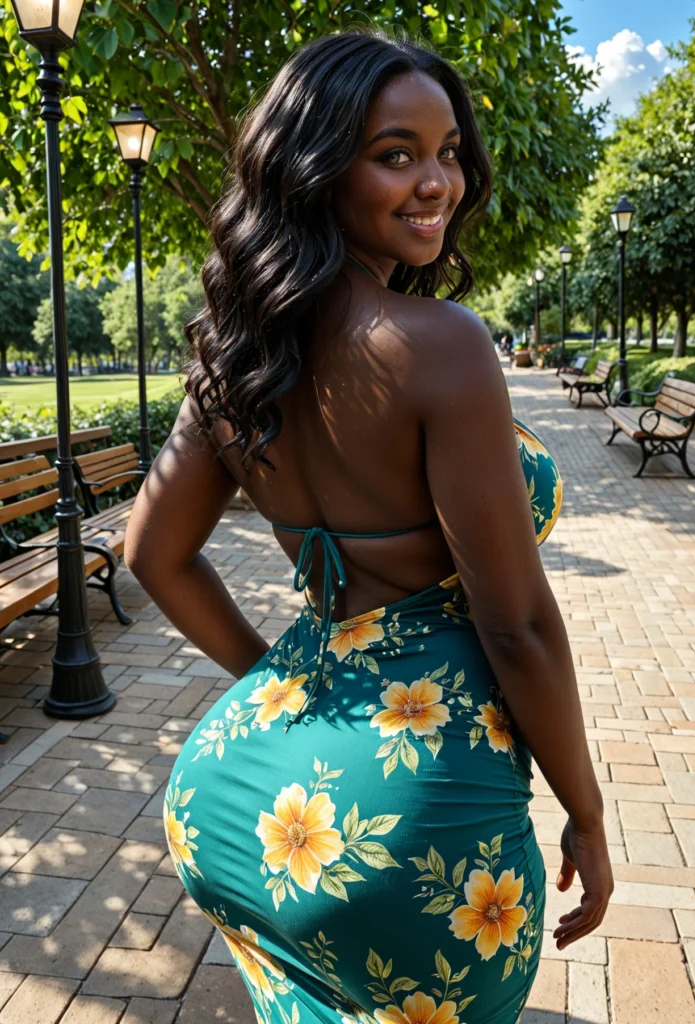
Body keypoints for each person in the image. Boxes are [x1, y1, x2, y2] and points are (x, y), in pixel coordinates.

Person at [125, 28, 612, 1024]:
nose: (438, 182)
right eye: (395, 155)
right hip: (409, 827)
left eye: (448, 153)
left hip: (236, 799)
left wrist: (277, 685)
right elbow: (515, 626)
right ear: (313, 170)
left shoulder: (233, 349)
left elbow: (151, 556)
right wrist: (588, 813)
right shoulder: (440, 346)